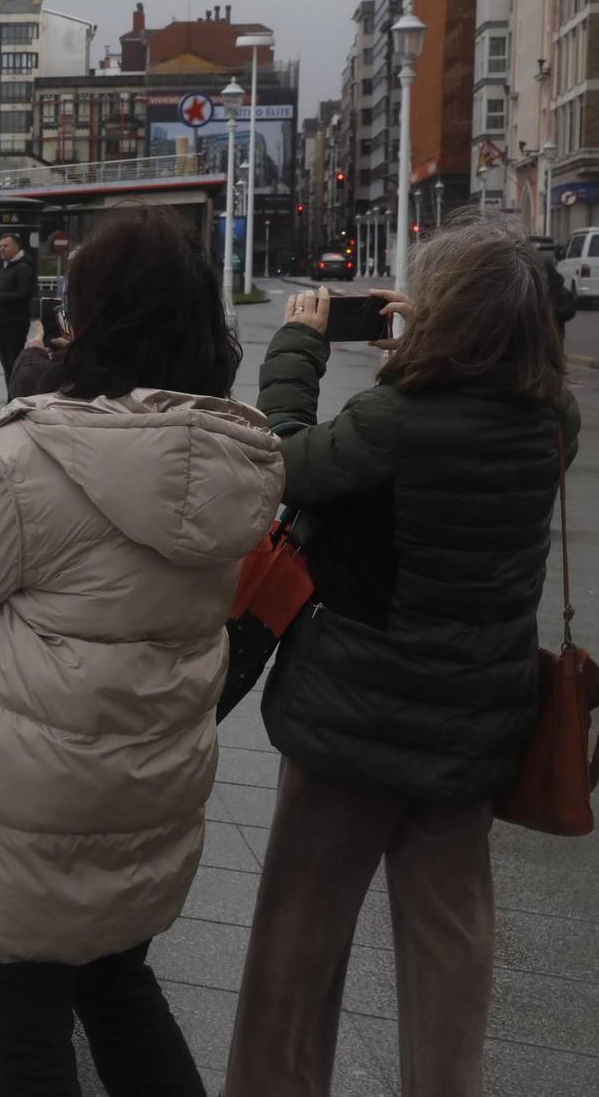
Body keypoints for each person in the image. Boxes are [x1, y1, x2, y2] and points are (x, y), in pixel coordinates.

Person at [0, 206, 281, 1096]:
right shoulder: (224, 452)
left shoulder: (35, 456)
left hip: (27, 817)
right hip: (143, 799)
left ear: (97, 320)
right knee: (120, 992)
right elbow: (95, 519)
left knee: (24, 1035)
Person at [224, 220, 580, 1097]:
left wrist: (299, 349)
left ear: (445, 319)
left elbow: (285, 461)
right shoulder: (551, 422)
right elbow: (482, 401)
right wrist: (444, 335)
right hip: (472, 730)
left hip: (355, 724)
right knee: (450, 948)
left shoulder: (395, 421)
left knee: (297, 949)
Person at [0, 233, 36, 384]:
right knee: (6, 362)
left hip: (15, 323)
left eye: (6, 246)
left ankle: (15, 395)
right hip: (1, 322)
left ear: (17, 246)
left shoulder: (23, 268)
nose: (2, 249)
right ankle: (11, 395)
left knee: (13, 361)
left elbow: (23, 293)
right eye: (0, 246)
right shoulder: (7, 267)